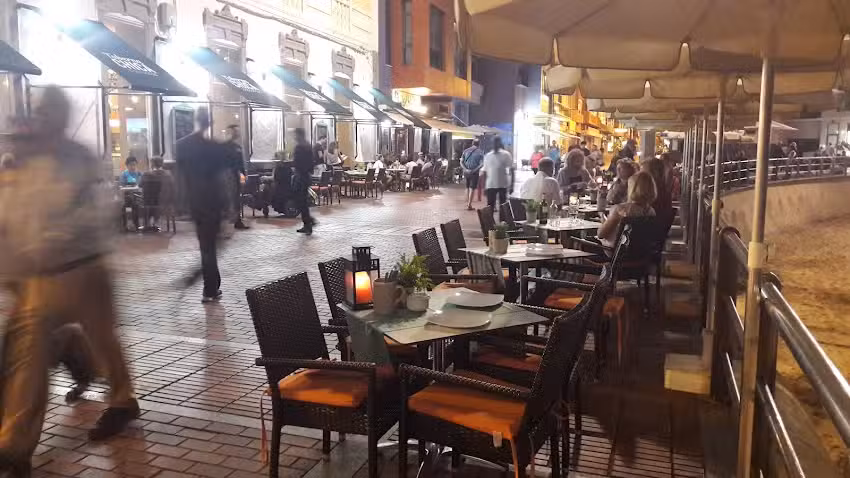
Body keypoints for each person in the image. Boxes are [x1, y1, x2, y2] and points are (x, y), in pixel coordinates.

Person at [0, 87, 138, 474]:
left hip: (85, 268)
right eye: (42, 112)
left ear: (61, 116)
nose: (45, 119)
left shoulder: (78, 158)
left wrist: (49, 240)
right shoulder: (24, 160)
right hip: (44, 277)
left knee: (101, 339)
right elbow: (12, 212)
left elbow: (93, 211)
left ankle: (122, 399)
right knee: (30, 354)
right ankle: (14, 443)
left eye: (51, 112)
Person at [176, 106, 228, 303]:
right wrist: (228, 207)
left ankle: (212, 284)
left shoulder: (183, 145)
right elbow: (222, 180)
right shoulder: (215, 147)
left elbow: (179, 178)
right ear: (210, 122)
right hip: (213, 203)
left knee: (207, 246)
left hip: (195, 203)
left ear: (196, 120)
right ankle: (210, 287)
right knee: (210, 247)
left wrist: (179, 203)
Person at [597, 171, 657, 247]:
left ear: (632, 188)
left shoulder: (621, 210)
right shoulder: (651, 211)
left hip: (616, 253)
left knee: (582, 242)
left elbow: (601, 234)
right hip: (640, 252)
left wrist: (603, 219)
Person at [223, 125, 248, 230]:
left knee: (236, 197)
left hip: (235, 174)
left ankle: (237, 220)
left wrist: (243, 174)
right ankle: (232, 219)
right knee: (231, 197)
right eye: (235, 131)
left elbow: (240, 162)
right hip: (229, 175)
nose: (237, 133)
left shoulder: (237, 147)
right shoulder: (226, 147)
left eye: (237, 131)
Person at [139, 156, 174, 230]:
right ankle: (155, 221)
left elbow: (140, 185)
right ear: (162, 164)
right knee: (155, 200)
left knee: (142, 200)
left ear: (152, 164)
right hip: (165, 202)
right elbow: (172, 186)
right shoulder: (168, 175)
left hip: (149, 202)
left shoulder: (146, 174)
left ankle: (147, 223)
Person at [292, 128, 316, 235]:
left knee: (300, 200)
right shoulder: (308, 146)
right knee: (303, 200)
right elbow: (312, 161)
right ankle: (308, 222)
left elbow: (297, 162)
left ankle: (308, 222)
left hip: (301, 176)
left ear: (299, 135)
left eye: (295, 135)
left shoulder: (300, 147)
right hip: (307, 176)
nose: (294, 137)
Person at [481, 137, 515, 212]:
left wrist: (512, 185)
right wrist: (484, 187)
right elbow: (485, 172)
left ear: (499, 143)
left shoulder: (506, 155)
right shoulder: (488, 156)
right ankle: (490, 223)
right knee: (490, 206)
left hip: (502, 185)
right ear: (491, 144)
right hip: (490, 185)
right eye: (494, 143)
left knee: (503, 207)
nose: (495, 144)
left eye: (497, 142)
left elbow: (512, 170)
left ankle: (502, 223)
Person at [641, 157, 674, 226]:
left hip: (648, 228)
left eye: (643, 172)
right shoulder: (662, 188)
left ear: (654, 172)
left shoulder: (653, 191)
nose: (640, 175)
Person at [461, 139, 485, 210]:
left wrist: (466, 169)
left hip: (466, 172)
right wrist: (475, 170)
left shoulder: (465, 151)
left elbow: (461, 162)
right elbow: (482, 164)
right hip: (474, 172)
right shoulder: (480, 152)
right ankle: (469, 204)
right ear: (479, 144)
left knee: (467, 186)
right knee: (472, 188)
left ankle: (467, 202)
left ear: (472, 143)